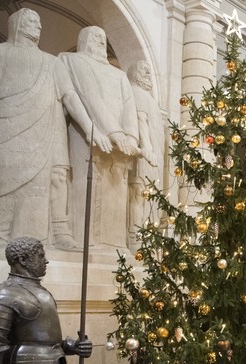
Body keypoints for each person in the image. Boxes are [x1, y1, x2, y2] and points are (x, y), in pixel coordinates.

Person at [0, 8, 111, 258]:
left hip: (45, 130)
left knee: (38, 189)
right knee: (1, 181)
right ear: (18, 23)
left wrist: (90, 128)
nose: (39, 26)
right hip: (6, 127)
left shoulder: (53, 62)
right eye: (32, 21)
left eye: (40, 22)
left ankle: (32, 242)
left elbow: (70, 97)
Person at [60, 26, 139, 249]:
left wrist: (131, 137)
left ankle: (114, 246)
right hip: (88, 136)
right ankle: (86, 243)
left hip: (120, 145)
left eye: (103, 38)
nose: (100, 41)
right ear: (84, 39)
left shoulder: (119, 75)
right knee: (88, 187)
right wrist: (115, 133)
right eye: (95, 37)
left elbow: (128, 106)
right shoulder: (74, 61)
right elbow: (88, 95)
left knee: (116, 193)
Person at [127, 60, 164, 249]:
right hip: (144, 155)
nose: (148, 73)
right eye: (144, 70)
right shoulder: (136, 92)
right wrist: (147, 149)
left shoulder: (148, 97)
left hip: (153, 154)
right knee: (138, 193)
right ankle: (135, 235)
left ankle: (146, 234)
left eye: (149, 70)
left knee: (148, 196)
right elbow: (141, 120)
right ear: (135, 73)